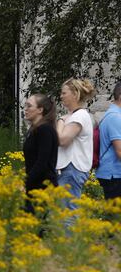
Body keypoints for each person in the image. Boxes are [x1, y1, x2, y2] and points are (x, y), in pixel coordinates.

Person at [55, 78, 95, 210]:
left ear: (75, 94)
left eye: (64, 93)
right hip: (69, 169)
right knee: (63, 212)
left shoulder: (79, 116)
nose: (61, 96)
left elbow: (62, 140)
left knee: (67, 214)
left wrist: (60, 120)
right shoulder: (74, 116)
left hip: (71, 169)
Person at [22, 94, 59, 211]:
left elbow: (42, 162)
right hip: (35, 186)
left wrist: (25, 182)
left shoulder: (45, 129)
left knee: (38, 225)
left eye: (29, 106)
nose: (25, 109)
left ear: (40, 110)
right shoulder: (35, 129)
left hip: (43, 188)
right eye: (25, 105)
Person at [96, 81, 121, 200]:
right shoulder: (115, 117)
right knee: (115, 217)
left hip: (113, 174)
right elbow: (120, 151)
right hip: (114, 175)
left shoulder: (112, 114)